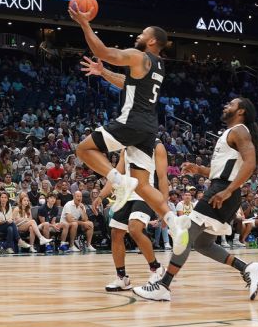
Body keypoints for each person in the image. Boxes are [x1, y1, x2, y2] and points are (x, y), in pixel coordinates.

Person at [133, 98, 258, 302]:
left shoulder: (240, 130)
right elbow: (224, 170)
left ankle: (164, 285)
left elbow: (250, 163)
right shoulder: (230, 133)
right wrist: (200, 170)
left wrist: (229, 190)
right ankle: (246, 268)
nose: (225, 105)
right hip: (220, 188)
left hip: (223, 191)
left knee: (184, 234)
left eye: (230, 104)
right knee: (203, 243)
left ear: (241, 111)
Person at [69, 13, 184, 247]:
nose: (138, 36)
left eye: (143, 33)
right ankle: (174, 222)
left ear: (151, 41)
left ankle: (119, 181)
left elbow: (103, 52)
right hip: (150, 128)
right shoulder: (159, 65)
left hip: (131, 122)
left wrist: (84, 24)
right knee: (142, 185)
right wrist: (103, 73)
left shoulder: (138, 56)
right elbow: (128, 83)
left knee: (82, 149)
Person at [99, 143, 169, 291]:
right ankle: (122, 278)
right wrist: (101, 195)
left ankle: (157, 269)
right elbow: (116, 173)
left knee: (135, 228)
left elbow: (162, 178)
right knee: (116, 233)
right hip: (127, 193)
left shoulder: (157, 146)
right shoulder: (126, 148)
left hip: (146, 193)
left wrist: (164, 209)